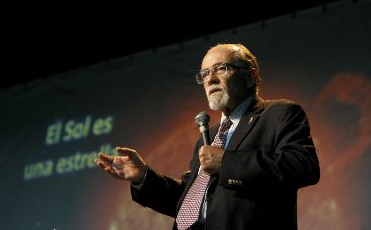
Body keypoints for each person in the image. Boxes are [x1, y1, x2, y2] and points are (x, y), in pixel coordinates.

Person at [94, 43, 320, 230]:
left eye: (221, 69)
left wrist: (226, 162)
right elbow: (190, 202)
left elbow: (303, 167)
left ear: (250, 77)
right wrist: (143, 177)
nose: (210, 79)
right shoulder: (210, 136)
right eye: (204, 74)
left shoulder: (278, 114)